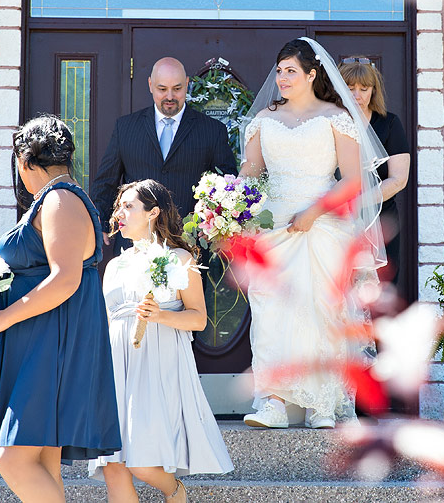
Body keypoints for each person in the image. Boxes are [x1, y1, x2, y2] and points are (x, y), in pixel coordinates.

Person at [238, 38, 387, 429]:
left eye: (291, 71)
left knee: (323, 312)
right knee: (271, 312)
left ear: (312, 74)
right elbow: (250, 174)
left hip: (324, 225)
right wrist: (225, 206)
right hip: (274, 227)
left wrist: (315, 211)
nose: (282, 78)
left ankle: (323, 403)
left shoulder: (336, 118)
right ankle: (271, 402)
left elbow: (354, 181)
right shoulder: (263, 121)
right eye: (280, 70)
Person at [0, 115, 121, 503]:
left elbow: (65, 279)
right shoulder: (55, 199)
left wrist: (4, 318)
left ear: (24, 161)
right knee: (42, 462)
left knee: (14, 460)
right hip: (38, 339)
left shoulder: (60, 200)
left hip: (52, 343)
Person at [90, 179, 234, 503]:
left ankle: (176, 492)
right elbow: (108, 320)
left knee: (142, 463)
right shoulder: (113, 266)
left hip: (156, 363)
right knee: (114, 466)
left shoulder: (180, 258)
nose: (118, 214)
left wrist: (160, 315)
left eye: (128, 206)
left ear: (153, 212)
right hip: (116, 365)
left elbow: (198, 318)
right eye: (118, 207)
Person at [92, 57, 238, 252]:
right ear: (150, 85)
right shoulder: (125, 128)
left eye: (177, 89)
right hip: (134, 241)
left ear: (187, 84)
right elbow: (106, 183)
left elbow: (227, 185)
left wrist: (217, 226)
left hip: (189, 244)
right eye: (162, 89)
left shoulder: (212, 130)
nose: (170, 96)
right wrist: (100, 224)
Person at [340, 58, 411, 289]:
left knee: (381, 288)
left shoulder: (389, 123)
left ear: (373, 90)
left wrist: (360, 203)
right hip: (337, 219)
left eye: (363, 89)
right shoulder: (331, 124)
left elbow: (399, 179)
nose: (356, 95)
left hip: (382, 220)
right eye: (349, 88)